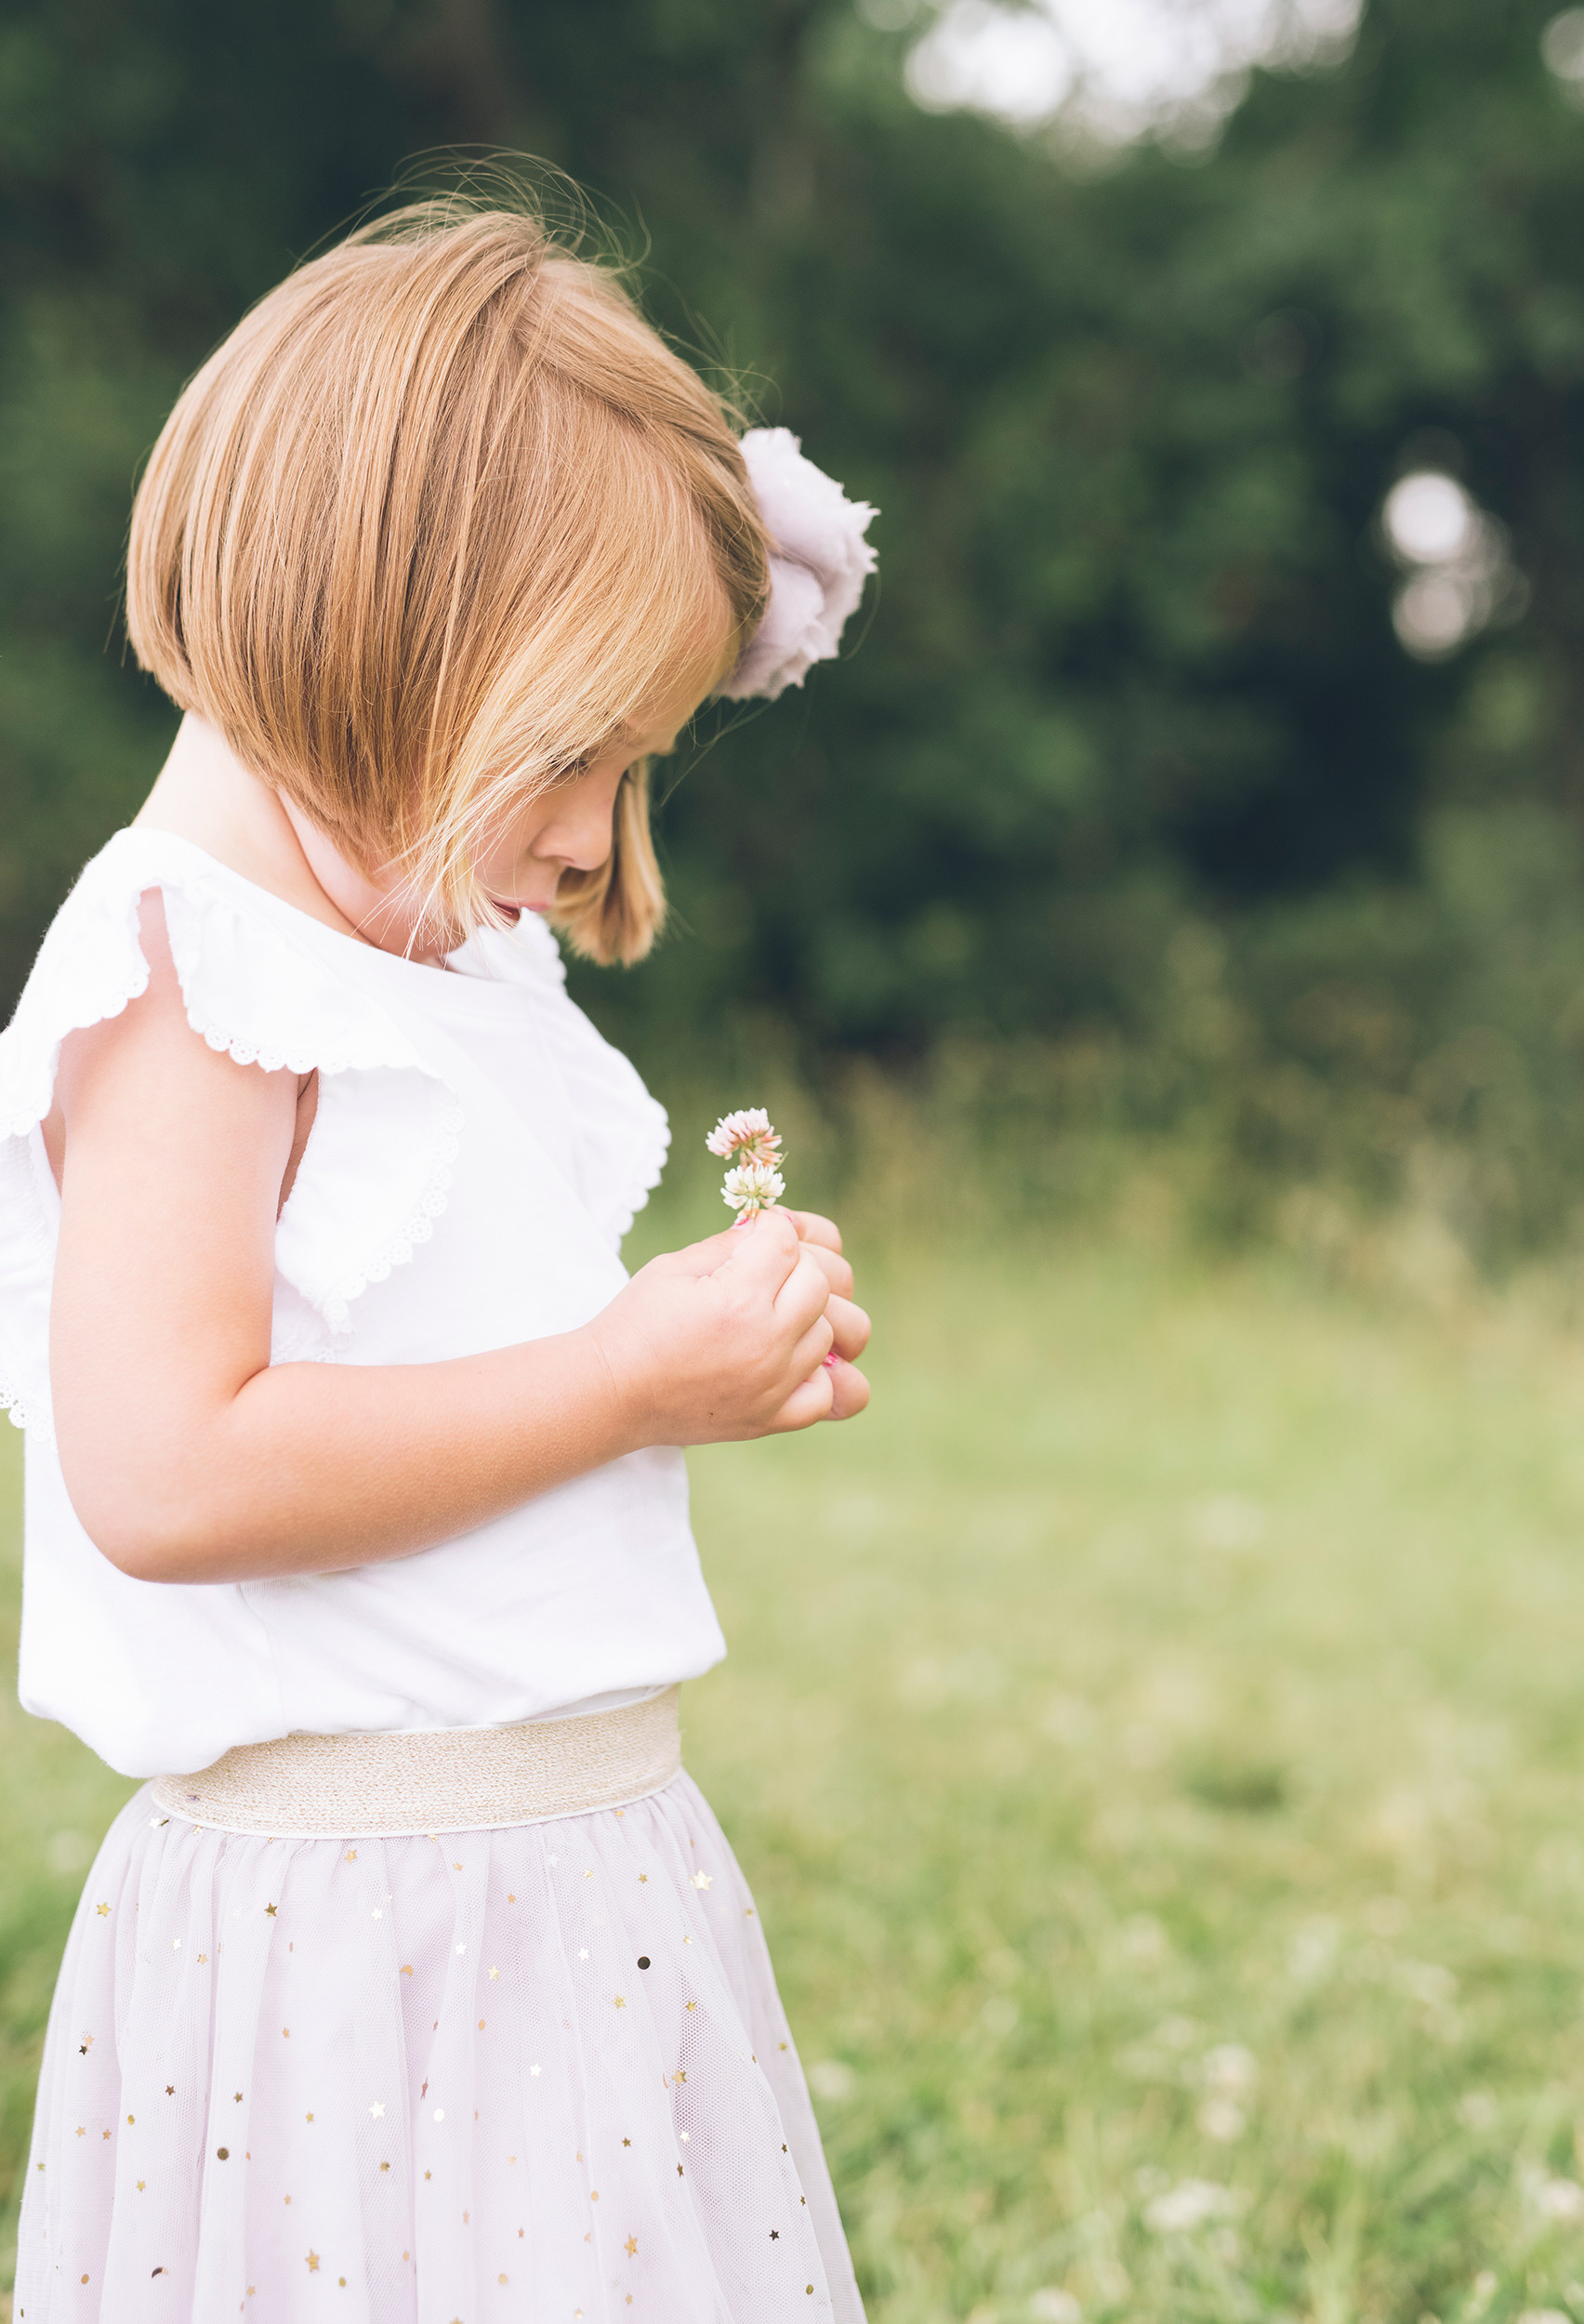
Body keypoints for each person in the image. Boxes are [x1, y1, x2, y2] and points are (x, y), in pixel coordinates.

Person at [2, 194, 878, 2322]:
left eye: (635, 758)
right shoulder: (188, 977)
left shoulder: (442, 954)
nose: (591, 835)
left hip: (583, 1873)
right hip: (337, 1940)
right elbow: (172, 1470)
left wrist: (692, 1344)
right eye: (574, 749)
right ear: (379, 641)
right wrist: (622, 1381)